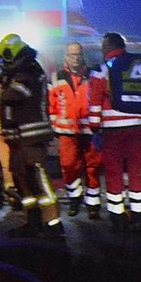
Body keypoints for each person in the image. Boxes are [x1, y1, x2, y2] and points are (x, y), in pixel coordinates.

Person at [0, 34, 63, 240]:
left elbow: (15, 94)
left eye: (4, 58)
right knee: (23, 181)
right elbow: (7, 78)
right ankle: (33, 222)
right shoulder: (21, 69)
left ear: (12, 54)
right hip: (18, 139)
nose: (4, 62)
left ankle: (53, 223)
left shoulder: (29, 70)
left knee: (38, 179)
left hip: (30, 137)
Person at [88, 32, 141, 232]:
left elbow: (95, 101)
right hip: (139, 127)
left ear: (107, 47)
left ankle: (117, 214)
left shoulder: (102, 70)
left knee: (114, 172)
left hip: (113, 130)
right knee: (137, 170)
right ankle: (139, 214)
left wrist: (94, 127)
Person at [49, 42, 102, 219]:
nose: (76, 58)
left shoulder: (93, 75)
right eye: (72, 55)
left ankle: (93, 204)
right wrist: (54, 125)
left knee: (93, 167)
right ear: (66, 57)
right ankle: (75, 197)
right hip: (66, 130)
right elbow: (50, 104)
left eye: (78, 54)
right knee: (68, 165)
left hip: (90, 129)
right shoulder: (56, 77)